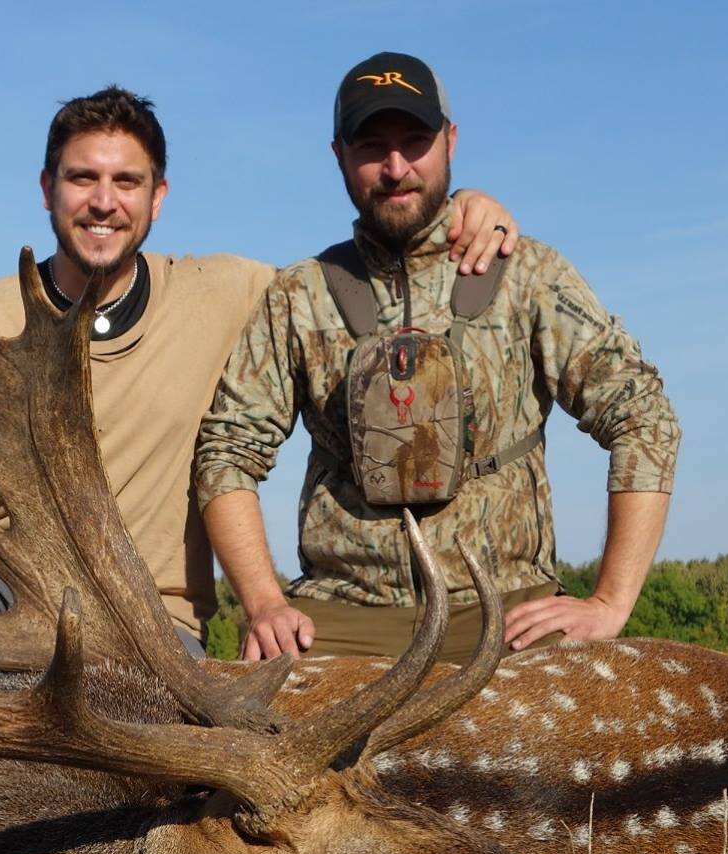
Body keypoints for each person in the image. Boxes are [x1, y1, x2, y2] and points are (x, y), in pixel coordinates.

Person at [0, 85, 519, 659]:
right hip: (8, 599)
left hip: (150, 626)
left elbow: (344, 293)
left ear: (157, 197)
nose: (103, 201)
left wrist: (461, 210)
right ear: (47, 189)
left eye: (125, 182)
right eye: (82, 179)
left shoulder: (228, 292)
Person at [194, 52, 680, 665]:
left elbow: (644, 417)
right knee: (256, 742)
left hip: (507, 610)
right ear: (339, 153)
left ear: (450, 141)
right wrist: (264, 605)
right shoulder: (300, 294)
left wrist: (610, 601)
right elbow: (226, 452)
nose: (396, 168)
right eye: (372, 145)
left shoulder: (527, 273)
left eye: (415, 142)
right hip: (342, 616)